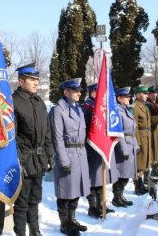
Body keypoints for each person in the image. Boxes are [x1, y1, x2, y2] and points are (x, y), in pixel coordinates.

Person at [12, 63, 55, 236]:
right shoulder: (13, 102)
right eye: (32, 79)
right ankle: (21, 233)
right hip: (23, 160)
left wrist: (50, 156)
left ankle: (35, 231)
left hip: (38, 160)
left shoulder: (39, 103)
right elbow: (11, 137)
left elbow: (47, 133)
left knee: (35, 199)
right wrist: (17, 161)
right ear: (21, 82)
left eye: (37, 79)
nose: (36, 83)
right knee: (21, 203)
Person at [49, 78, 91, 236]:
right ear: (66, 92)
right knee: (65, 192)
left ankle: (72, 218)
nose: (79, 93)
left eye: (79, 90)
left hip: (80, 153)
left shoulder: (78, 109)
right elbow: (57, 138)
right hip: (67, 154)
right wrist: (63, 160)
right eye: (76, 90)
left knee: (77, 189)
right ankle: (64, 222)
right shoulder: (58, 110)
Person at [81, 83, 117, 217]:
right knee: (92, 179)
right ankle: (93, 207)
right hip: (91, 148)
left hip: (100, 148)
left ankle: (102, 205)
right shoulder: (86, 108)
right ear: (93, 93)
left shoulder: (100, 108)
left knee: (100, 179)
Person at [112, 87, 137, 207]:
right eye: (126, 97)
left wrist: (135, 145)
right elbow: (119, 132)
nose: (129, 98)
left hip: (130, 143)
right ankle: (116, 197)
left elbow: (132, 129)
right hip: (124, 146)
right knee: (122, 174)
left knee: (127, 174)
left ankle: (120, 195)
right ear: (119, 98)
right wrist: (123, 149)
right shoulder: (117, 111)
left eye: (128, 96)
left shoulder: (127, 110)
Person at [133, 85, 152, 195]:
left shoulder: (144, 106)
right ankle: (137, 186)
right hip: (140, 136)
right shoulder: (135, 107)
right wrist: (137, 143)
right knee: (139, 164)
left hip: (147, 136)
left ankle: (141, 184)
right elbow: (134, 127)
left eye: (146, 93)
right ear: (138, 94)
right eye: (144, 93)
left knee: (144, 162)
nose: (146, 95)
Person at [145, 86, 158, 179]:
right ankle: (153, 169)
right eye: (153, 93)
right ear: (149, 94)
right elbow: (152, 120)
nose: (156, 95)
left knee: (156, 148)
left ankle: (155, 168)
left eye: (156, 93)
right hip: (151, 130)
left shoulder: (152, 104)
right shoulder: (148, 104)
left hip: (155, 129)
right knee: (153, 149)